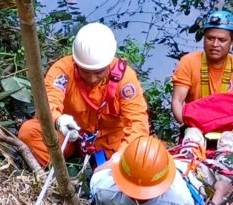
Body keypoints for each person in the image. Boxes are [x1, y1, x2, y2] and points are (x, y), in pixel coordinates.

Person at [18, 22, 149, 166]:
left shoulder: (125, 79)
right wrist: (58, 121)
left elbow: (137, 123)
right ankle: (57, 171)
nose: (92, 78)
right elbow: (48, 103)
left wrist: (118, 159)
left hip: (110, 145)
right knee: (29, 131)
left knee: (141, 152)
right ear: (75, 62)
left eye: (98, 72)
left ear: (109, 63)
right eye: (85, 71)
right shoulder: (62, 72)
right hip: (69, 137)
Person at [171, 10, 233, 141]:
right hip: (195, 130)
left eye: (222, 40)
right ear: (204, 38)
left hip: (230, 133)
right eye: (210, 38)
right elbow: (177, 100)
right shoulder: (188, 62)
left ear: (232, 41)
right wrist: (185, 126)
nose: (215, 44)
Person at [90, 135, 233, 205]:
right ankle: (225, 144)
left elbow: (98, 173)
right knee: (227, 167)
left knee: (192, 145)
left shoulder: (104, 190)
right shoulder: (177, 200)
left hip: (183, 169)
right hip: (190, 174)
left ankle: (193, 138)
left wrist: (119, 158)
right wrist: (219, 193)